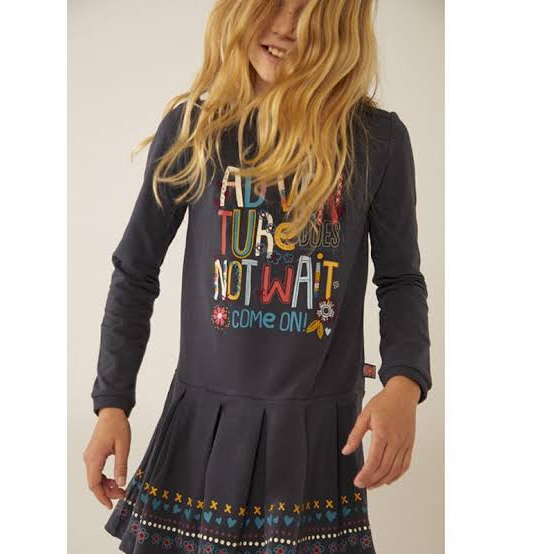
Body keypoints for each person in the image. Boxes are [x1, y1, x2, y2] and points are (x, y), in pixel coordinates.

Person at [83, 1, 432, 553]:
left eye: (309, 11)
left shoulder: (377, 140)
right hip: (202, 432)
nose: (286, 28)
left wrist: (403, 384)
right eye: (274, 4)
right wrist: (111, 404)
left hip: (314, 442)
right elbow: (136, 270)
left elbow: (400, 279)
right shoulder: (196, 129)